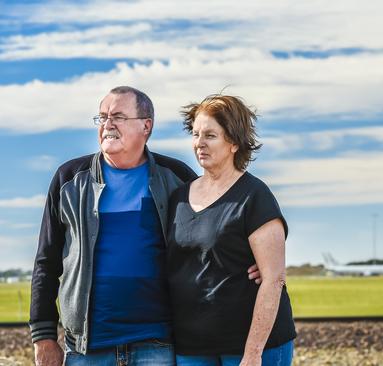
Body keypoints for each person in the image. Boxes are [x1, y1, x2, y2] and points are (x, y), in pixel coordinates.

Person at [29, 86, 261, 366]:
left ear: (146, 126)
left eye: (118, 116)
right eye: (102, 117)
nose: (107, 125)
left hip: (157, 342)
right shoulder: (69, 180)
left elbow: (213, 231)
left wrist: (254, 260)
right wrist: (43, 336)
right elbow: (46, 261)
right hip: (86, 348)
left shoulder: (176, 177)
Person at [167, 94, 296, 366]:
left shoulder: (254, 196)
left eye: (210, 135)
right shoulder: (178, 197)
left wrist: (252, 354)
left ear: (234, 142)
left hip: (249, 347)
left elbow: (273, 279)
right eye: (196, 134)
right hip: (192, 346)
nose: (199, 143)